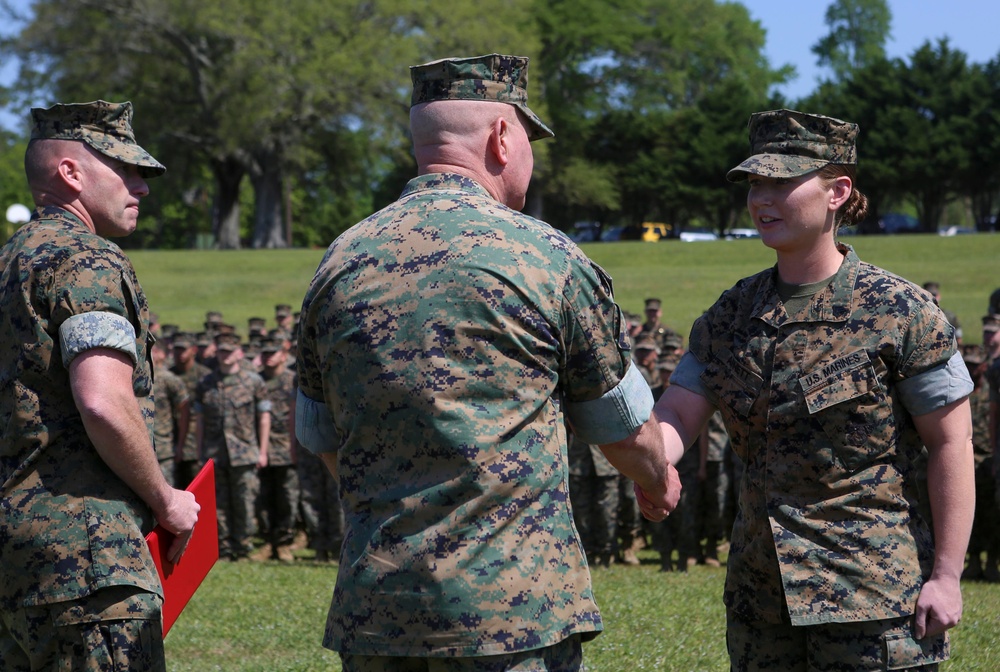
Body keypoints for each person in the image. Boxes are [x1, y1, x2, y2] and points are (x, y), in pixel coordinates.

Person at [295, 53, 678, 670]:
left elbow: (319, 434)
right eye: (528, 136)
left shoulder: (340, 262)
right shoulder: (544, 257)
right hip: (513, 618)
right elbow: (624, 428)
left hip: (381, 615)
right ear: (502, 137)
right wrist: (659, 480)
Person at [655, 109, 975, 669]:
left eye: (781, 182)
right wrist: (648, 461)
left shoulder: (902, 312)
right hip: (762, 604)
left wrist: (947, 576)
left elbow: (952, 445)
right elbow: (678, 417)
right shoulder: (729, 316)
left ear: (838, 192)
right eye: (755, 183)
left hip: (873, 601)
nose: (762, 199)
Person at [0, 100, 200, 670]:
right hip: (86, 562)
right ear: (71, 173)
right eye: (127, 169)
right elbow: (103, 399)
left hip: (15, 559)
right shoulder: (85, 260)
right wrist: (166, 501)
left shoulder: (8, 264)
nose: (140, 186)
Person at [195, 332, 271, 560]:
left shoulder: (254, 381)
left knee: (245, 501)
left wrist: (263, 451)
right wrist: (199, 451)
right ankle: (223, 546)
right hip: (215, 452)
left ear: (239, 353)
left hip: (245, 453)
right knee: (218, 503)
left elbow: (264, 417)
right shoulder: (206, 383)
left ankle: (243, 545)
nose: (225, 355)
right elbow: (199, 420)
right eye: (221, 351)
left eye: (230, 351)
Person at [253, 337, 300, 562]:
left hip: (286, 448)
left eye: (274, 352)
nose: (268, 356)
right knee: (262, 499)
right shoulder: (255, 381)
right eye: (265, 353)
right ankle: (268, 543)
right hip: (258, 449)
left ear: (284, 355)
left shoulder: (293, 381)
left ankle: (284, 543)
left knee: (287, 498)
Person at [151, 338, 191, 487]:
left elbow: (184, 411)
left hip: (163, 449)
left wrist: (180, 445)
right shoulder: (135, 376)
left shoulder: (169, 379)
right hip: (140, 448)